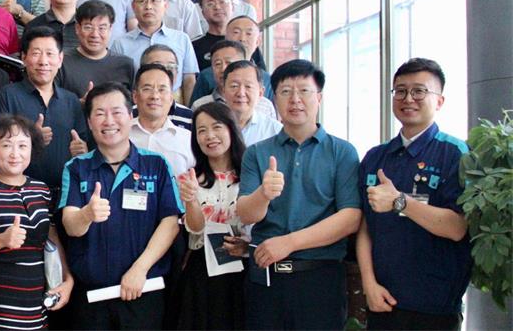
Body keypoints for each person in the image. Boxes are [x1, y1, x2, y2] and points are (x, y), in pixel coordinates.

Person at [236, 59, 361, 330]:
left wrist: (289, 243)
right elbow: (245, 213)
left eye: (304, 91)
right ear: (274, 99)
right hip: (266, 278)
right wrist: (263, 194)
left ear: (319, 98)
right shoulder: (256, 152)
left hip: (320, 279)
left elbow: (351, 217)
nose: (295, 99)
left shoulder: (342, 152)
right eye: (285, 92)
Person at [357, 58, 470, 331]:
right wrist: (369, 284)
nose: (408, 99)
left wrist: (399, 201)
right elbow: (364, 227)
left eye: (419, 91)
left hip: (435, 305)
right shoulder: (375, 157)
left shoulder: (456, 154)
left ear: (439, 101)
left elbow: (457, 227)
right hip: (383, 300)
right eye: (400, 91)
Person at [59, 82, 183, 329]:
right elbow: (70, 225)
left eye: (116, 112)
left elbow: (170, 223)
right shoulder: (76, 168)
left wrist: (140, 270)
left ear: (129, 116)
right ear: (89, 122)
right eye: (100, 114)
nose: (109, 121)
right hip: (91, 298)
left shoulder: (156, 164)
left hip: (143, 290)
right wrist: (86, 214)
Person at [0, 114, 73, 330]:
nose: (15, 153)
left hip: (33, 310)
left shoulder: (41, 190)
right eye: (6, 145)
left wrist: (68, 279)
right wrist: (1, 240)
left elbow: (52, 240)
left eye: (22, 146)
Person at [0, 27, 89, 202]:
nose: (43, 61)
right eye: (36, 53)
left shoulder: (71, 100)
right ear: (24, 57)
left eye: (50, 54)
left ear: (60, 59)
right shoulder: (8, 95)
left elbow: (82, 144)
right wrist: (31, 139)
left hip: (65, 195)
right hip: (19, 194)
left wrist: (82, 149)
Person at [175, 102, 248, 330]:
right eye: (202, 130)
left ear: (231, 129)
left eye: (217, 127)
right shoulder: (190, 178)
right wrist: (191, 200)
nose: (210, 136)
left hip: (243, 266)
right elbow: (195, 229)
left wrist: (247, 247)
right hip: (202, 270)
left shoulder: (251, 175)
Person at [110, 0, 199, 104]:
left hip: (175, 105)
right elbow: (118, 85)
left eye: (154, 1)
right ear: (133, 7)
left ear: (165, 6)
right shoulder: (120, 44)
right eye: (142, 1)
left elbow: (189, 80)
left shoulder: (181, 39)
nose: (148, 7)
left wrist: (189, 111)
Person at [57, 0, 135, 99]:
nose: (95, 34)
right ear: (77, 28)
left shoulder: (126, 64)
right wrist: (79, 104)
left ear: (110, 29)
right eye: (88, 27)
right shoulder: (61, 62)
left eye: (102, 28)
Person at [192, 14, 274, 107]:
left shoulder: (266, 78)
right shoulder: (207, 75)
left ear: (258, 42)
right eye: (236, 32)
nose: (242, 39)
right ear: (226, 38)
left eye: (248, 33)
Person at [130, 63, 194, 178]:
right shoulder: (121, 135)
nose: (155, 96)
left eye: (162, 89)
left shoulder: (188, 140)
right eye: (147, 89)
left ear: (171, 98)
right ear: (135, 96)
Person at [193, 42, 277, 119]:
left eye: (229, 63)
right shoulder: (200, 105)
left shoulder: (265, 106)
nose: (223, 69)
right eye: (217, 64)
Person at [133, 44, 195, 131]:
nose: (164, 71)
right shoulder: (127, 116)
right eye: (157, 65)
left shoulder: (190, 118)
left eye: (171, 67)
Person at [219, 59, 282, 144]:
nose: (241, 93)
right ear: (223, 91)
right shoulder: (211, 127)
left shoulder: (275, 131)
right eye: (234, 86)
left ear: (260, 93)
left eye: (248, 86)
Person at [193, 0, 234, 70]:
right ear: (203, 13)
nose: (217, 7)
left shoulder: (244, 42)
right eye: (210, 4)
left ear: (233, 7)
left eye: (222, 2)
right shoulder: (194, 47)